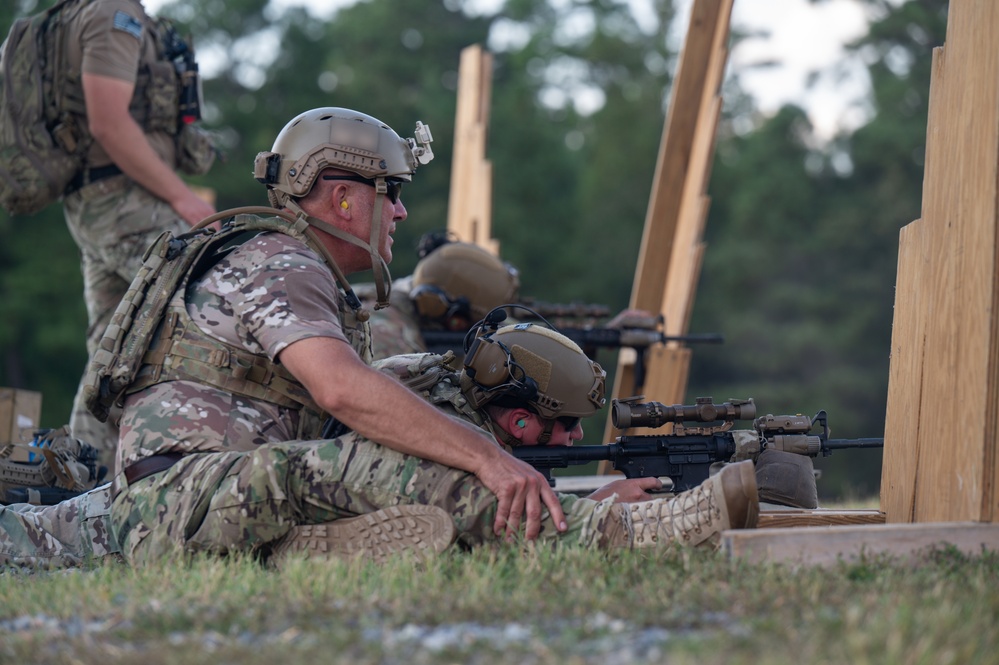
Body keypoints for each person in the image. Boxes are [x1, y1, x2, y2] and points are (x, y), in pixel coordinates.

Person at [96, 105, 759, 566]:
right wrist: (485, 454)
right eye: (392, 191)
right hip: (183, 500)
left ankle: (323, 543)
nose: (402, 211)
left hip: (205, 493)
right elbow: (342, 391)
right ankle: (610, 533)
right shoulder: (280, 260)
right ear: (344, 196)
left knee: (425, 388)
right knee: (387, 456)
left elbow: (380, 391)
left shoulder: (293, 264)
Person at [0, 316, 758, 568]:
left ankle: (305, 552)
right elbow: (397, 473)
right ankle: (617, 534)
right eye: (559, 428)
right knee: (25, 539)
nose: (567, 440)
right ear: (518, 420)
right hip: (148, 514)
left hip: (217, 510)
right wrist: (587, 504)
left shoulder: (451, 398)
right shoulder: (413, 397)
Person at [57, 0, 217, 462]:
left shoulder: (110, 15)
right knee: (212, 294)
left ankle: (79, 475)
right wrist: (183, 198)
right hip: (124, 199)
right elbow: (107, 121)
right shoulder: (113, 11)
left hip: (105, 200)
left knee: (115, 339)